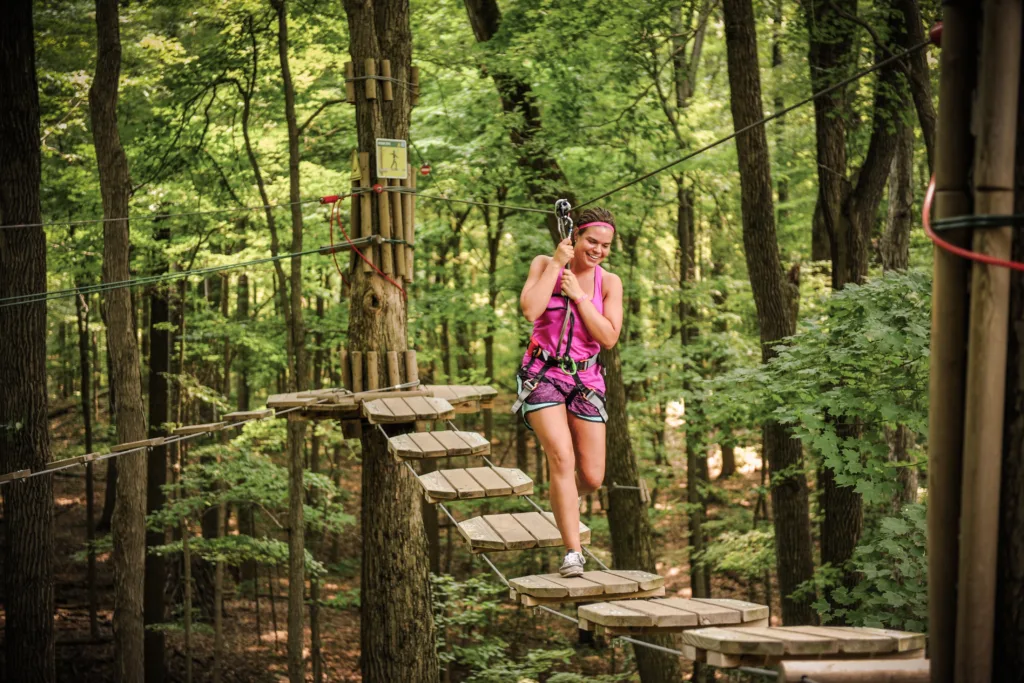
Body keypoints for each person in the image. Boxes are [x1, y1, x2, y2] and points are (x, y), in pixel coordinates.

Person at [515, 208, 623, 577]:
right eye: (592, 241)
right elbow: (530, 310)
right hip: (543, 373)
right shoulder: (545, 262)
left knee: (592, 477)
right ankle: (573, 554)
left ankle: (564, 501)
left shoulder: (608, 283)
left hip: (586, 380)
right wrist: (555, 266)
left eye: (605, 245)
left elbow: (608, 337)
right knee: (562, 460)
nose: (598, 250)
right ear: (574, 236)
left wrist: (578, 295)